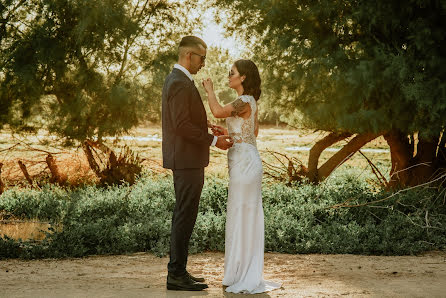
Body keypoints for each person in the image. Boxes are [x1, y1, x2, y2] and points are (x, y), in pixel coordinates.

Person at [202, 59, 282, 294]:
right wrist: (227, 132)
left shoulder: (244, 100)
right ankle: (237, 272)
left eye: (232, 73)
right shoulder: (250, 102)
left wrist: (210, 91)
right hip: (243, 159)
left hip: (245, 164)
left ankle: (242, 274)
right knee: (240, 215)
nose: (229, 76)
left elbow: (217, 111)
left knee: (242, 215)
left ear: (243, 77)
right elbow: (252, 132)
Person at [161, 36, 233, 291]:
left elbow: (182, 120)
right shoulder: (180, 83)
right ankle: (176, 275)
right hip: (186, 159)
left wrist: (205, 126)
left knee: (185, 214)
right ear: (189, 55)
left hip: (186, 158)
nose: (203, 63)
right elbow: (180, 126)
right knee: (184, 216)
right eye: (202, 58)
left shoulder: (177, 80)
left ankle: (179, 271)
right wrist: (214, 140)